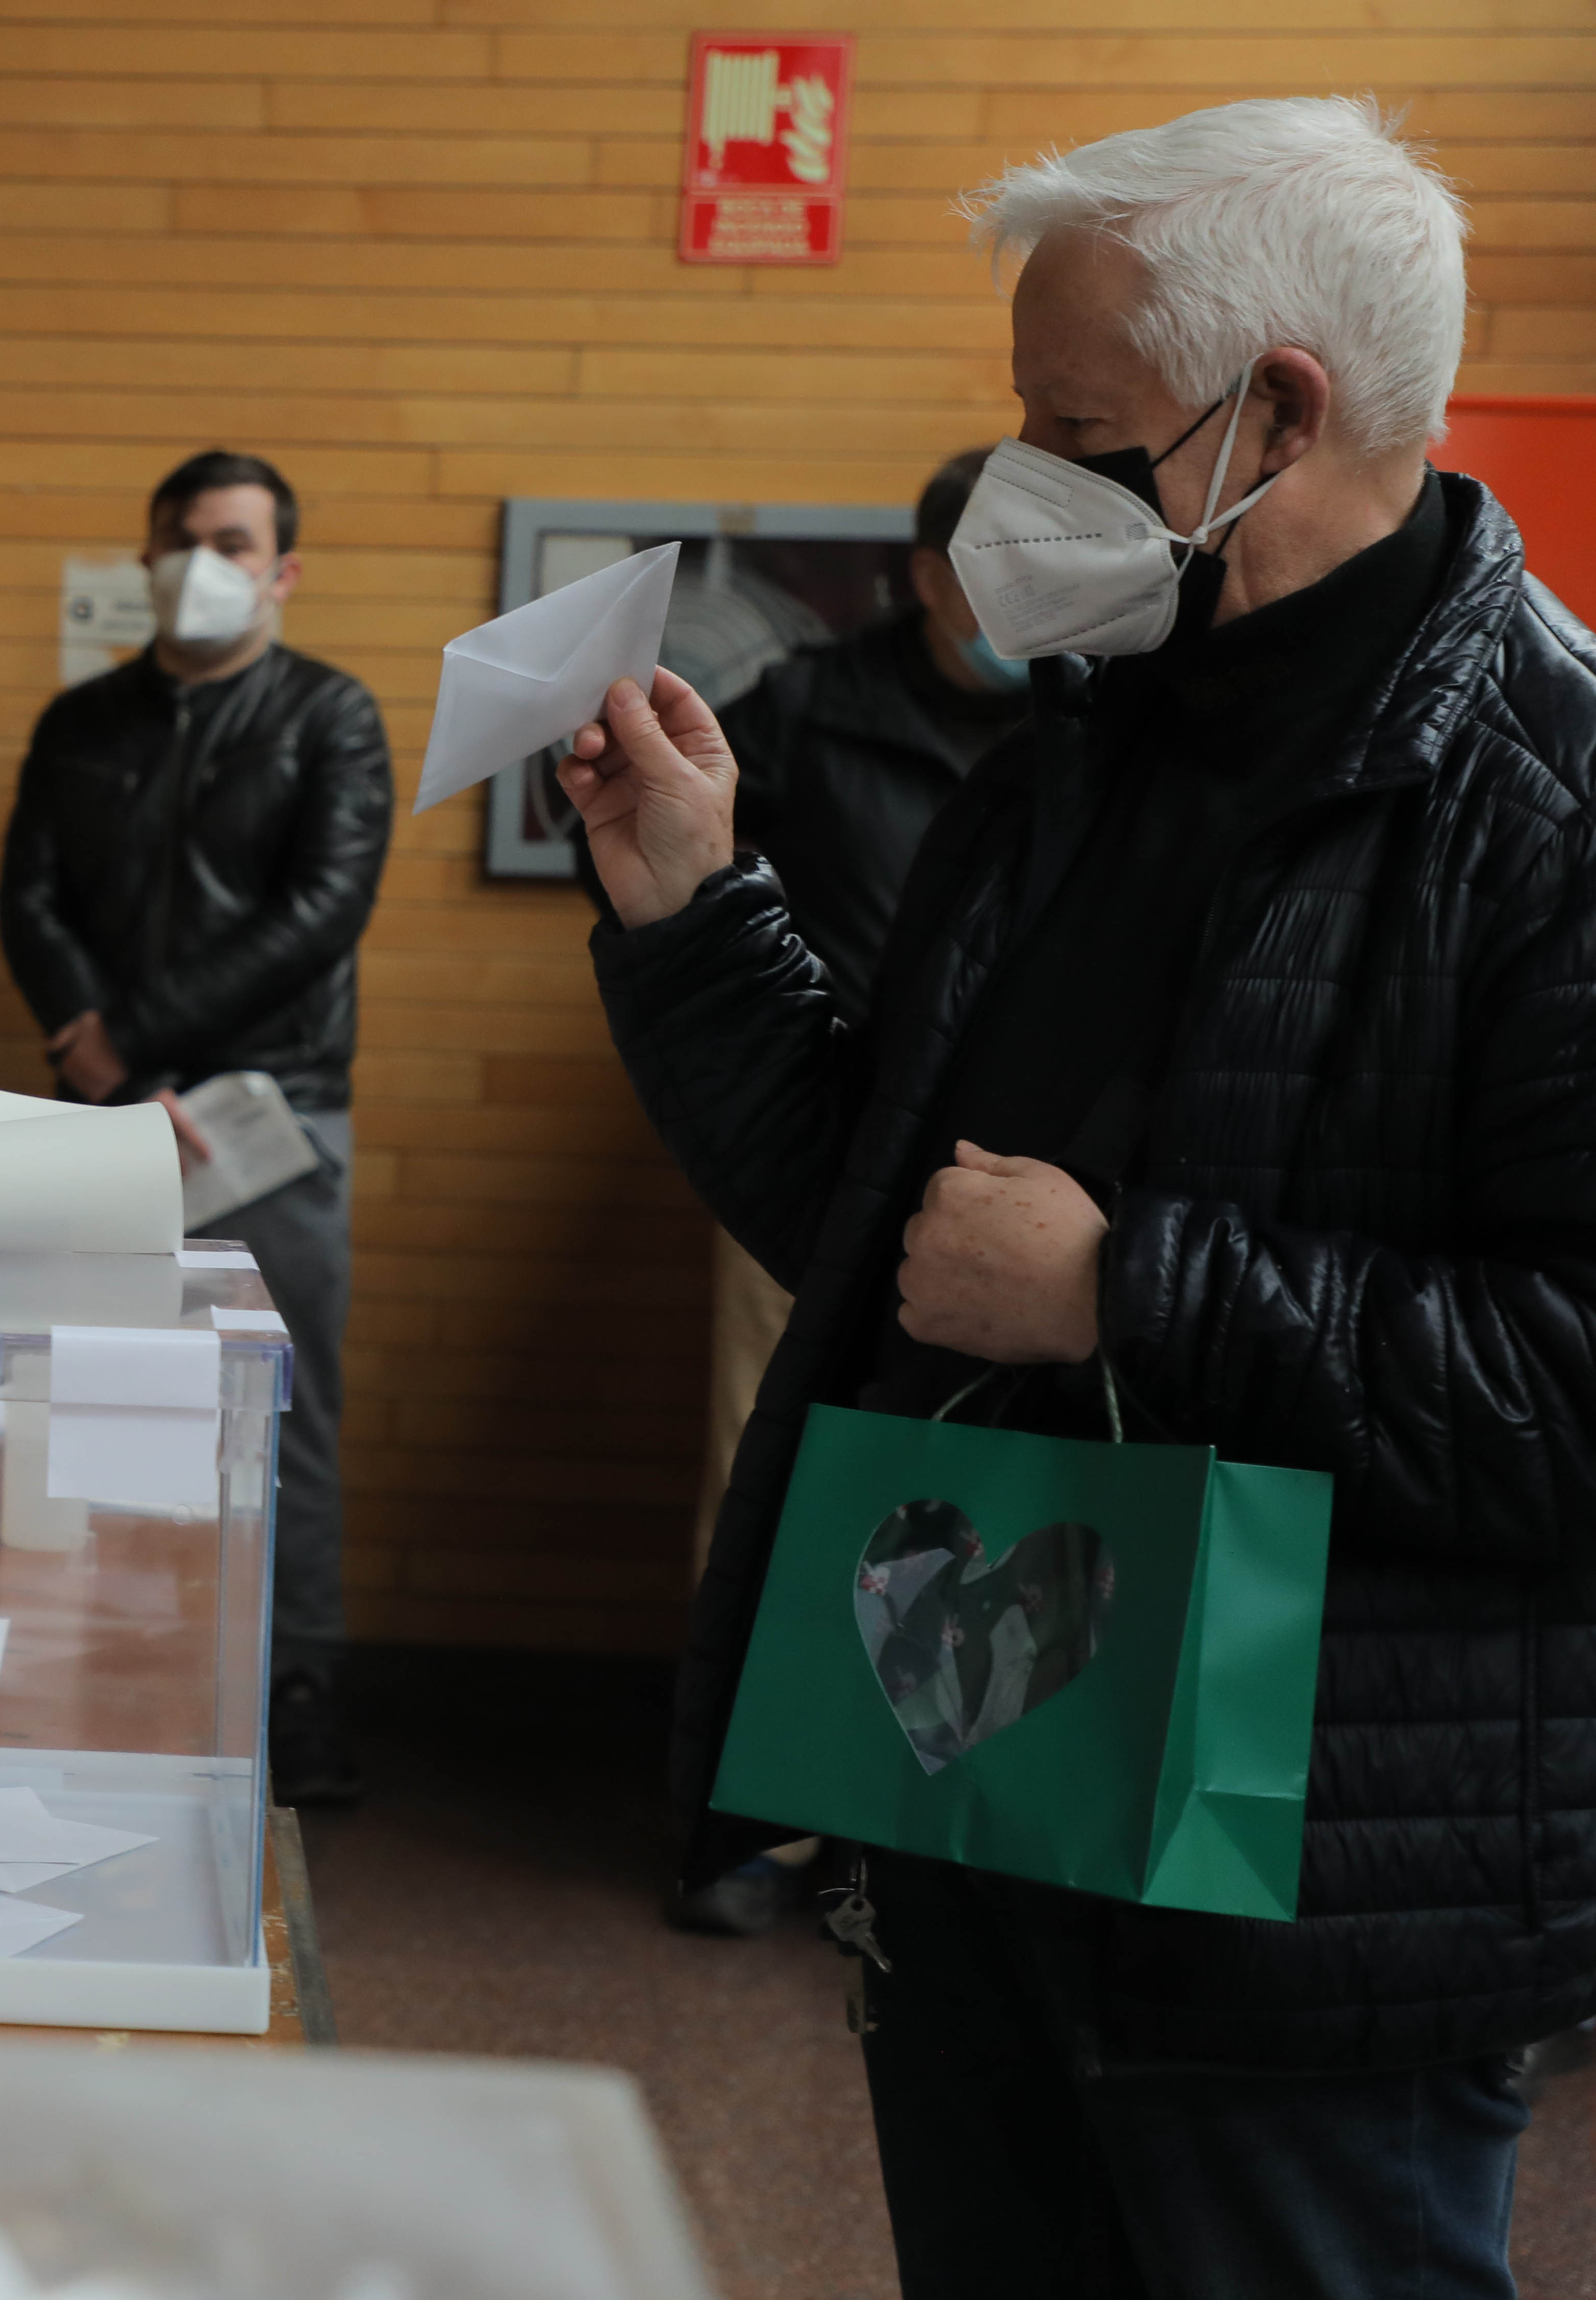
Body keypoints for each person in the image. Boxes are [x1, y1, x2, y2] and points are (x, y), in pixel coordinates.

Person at [564, 96, 1592, 2294]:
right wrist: (685, 913)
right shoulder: (1079, 752)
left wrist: (1134, 1291)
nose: (1016, 481)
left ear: (1274, 412)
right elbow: (886, 1216)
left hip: (1301, 1888)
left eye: (1068, 426)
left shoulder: (1545, 797)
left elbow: (1566, 1384)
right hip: (978, 1758)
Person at [669, 448, 1061, 1934]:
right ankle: (765, 1813)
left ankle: (892, 1808)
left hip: (1021, 1188)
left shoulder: (1096, 729)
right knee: (769, 1460)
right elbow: (681, 894)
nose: (1024, 603)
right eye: (992, 568)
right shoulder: (807, 706)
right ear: (925, 576)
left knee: (962, 1497)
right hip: (823, 1158)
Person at [0, 449, 393, 1808]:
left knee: (287, 1419)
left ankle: (301, 1695)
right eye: (178, 539)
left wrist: (141, 1035)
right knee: (93, 1403)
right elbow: (28, 899)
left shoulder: (332, 716)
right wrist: (94, 1051)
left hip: (273, 1118)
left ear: (282, 568)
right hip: (102, 1118)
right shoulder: (80, 722)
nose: (200, 563)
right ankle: (111, 1671)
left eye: (231, 541)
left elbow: (322, 909)